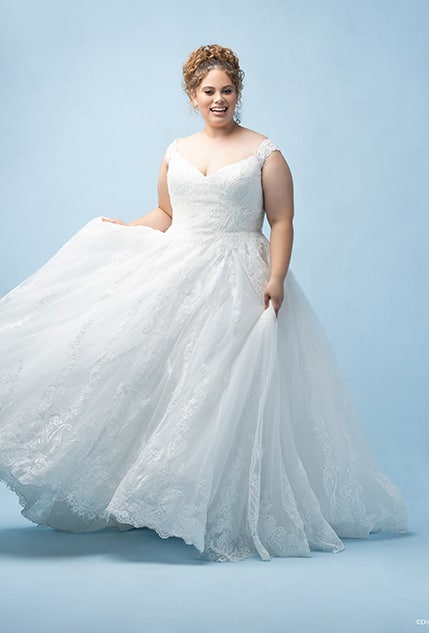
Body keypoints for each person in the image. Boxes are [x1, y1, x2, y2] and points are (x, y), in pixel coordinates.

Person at [0, 44, 407, 562]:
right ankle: (150, 494)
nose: (219, 99)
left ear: (239, 93)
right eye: (208, 91)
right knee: (155, 376)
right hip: (177, 268)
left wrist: (277, 278)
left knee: (223, 384)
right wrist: (129, 228)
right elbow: (167, 213)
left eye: (227, 90)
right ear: (193, 96)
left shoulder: (266, 152)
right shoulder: (176, 150)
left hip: (240, 273)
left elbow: (281, 220)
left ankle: (220, 504)